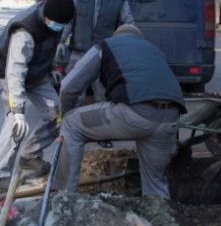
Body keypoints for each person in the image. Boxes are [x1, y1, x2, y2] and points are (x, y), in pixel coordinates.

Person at [56, 24, 186, 199]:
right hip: (170, 118)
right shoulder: (154, 50)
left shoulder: (105, 46)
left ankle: (65, 198)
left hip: (135, 113)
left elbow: (68, 87)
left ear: (117, 36)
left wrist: (64, 116)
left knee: (71, 123)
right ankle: (161, 220)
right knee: (155, 183)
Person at [0, 0, 75, 194]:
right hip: (10, 73)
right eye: (55, 24)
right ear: (46, 18)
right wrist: (17, 110)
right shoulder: (24, 32)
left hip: (37, 72)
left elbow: (51, 46)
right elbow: (15, 72)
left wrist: (53, 68)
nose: (58, 28)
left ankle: (30, 155)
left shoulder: (56, 21)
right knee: (15, 124)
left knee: (56, 112)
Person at [59, 0, 135, 88]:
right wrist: (59, 41)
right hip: (78, 53)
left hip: (103, 56)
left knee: (103, 97)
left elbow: (129, 26)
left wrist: (127, 50)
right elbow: (67, 20)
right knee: (70, 91)